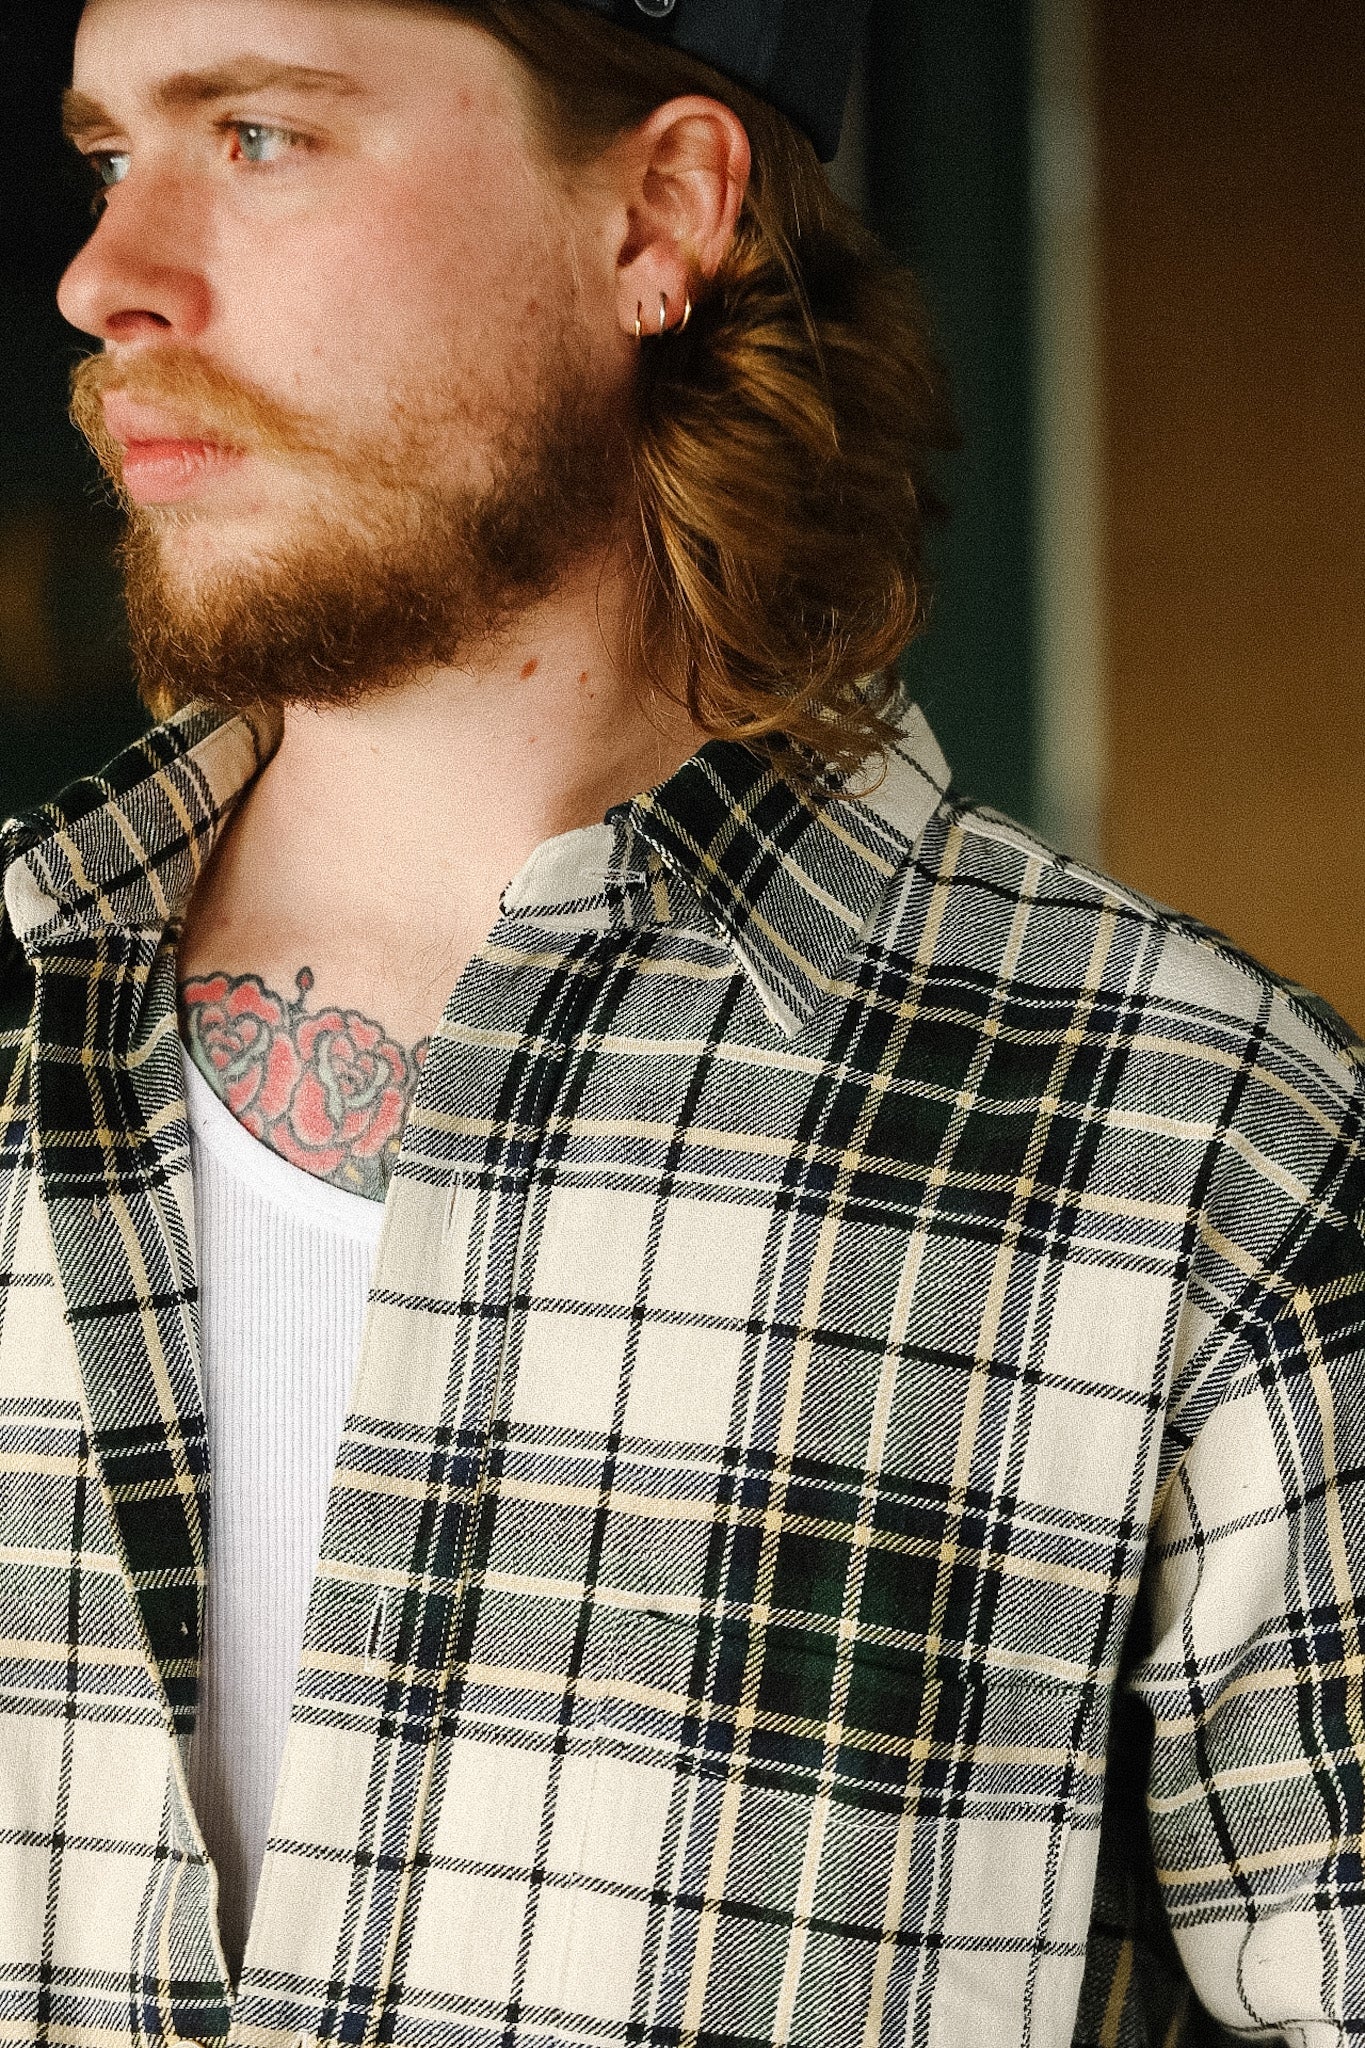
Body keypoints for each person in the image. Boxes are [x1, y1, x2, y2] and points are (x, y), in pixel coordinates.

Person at [0, 0, 1361, 2040]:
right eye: (115, 158)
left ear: (660, 210)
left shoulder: (1199, 1159)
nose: (107, 278)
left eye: (262, 136)